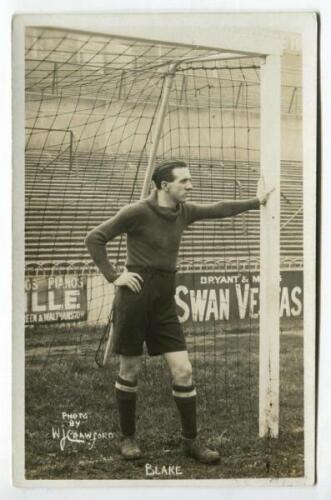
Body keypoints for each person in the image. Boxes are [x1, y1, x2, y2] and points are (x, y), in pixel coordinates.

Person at [85, 159, 272, 464]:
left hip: (164, 301)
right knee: (129, 370)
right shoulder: (136, 212)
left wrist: (256, 201)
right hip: (134, 297)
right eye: (183, 181)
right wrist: (114, 275)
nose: (190, 185)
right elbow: (94, 238)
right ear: (163, 186)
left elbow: (219, 208)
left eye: (189, 180)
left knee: (184, 370)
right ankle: (128, 438)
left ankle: (191, 441)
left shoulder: (183, 212)